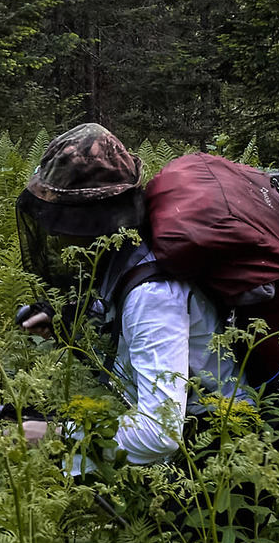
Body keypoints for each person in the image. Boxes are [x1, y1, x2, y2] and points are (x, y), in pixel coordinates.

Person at [14, 123, 246, 465]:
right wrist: (64, 320)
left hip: (218, 446)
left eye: (61, 220)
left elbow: (159, 434)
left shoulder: (152, 296)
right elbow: (114, 316)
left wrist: (55, 435)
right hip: (185, 421)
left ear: (90, 221)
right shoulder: (123, 254)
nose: (53, 231)